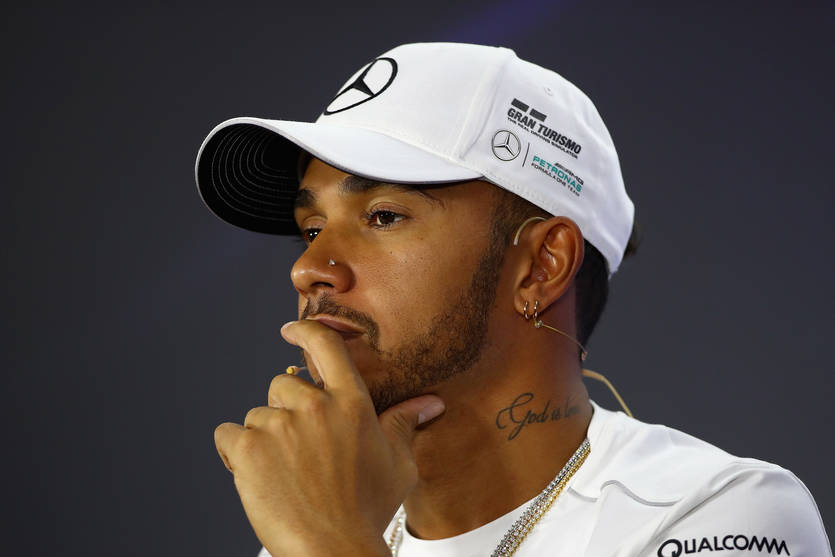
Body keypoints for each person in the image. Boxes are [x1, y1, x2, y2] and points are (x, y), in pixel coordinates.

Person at [195, 43, 831, 556]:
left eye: (383, 216)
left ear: (540, 267)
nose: (309, 269)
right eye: (311, 230)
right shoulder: (320, 528)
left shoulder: (720, 513)